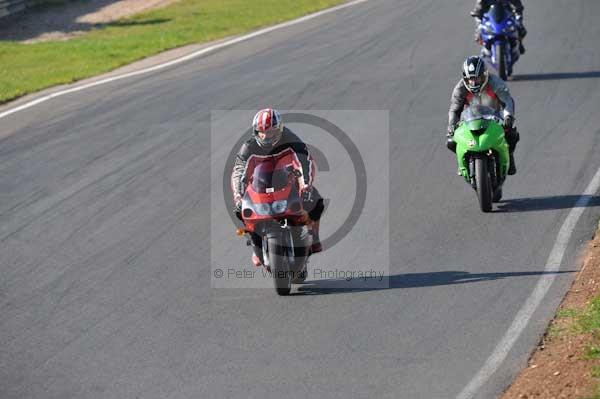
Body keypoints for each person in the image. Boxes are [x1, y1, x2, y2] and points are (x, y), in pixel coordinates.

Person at [231, 108, 324, 267]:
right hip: (260, 185)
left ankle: (313, 234)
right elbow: (238, 171)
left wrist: (305, 186)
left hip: (287, 181)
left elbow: (305, 161)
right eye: (262, 132)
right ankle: (255, 243)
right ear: (256, 131)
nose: (266, 137)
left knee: (315, 200)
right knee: (241, 210)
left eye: (272, 132)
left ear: (280, 129)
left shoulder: (291, 139)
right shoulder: (248, 147)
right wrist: (239, 196)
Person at [446, 56, 520, 175]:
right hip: (470, 120)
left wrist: (508, 117)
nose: (474, 82)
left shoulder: (495, 83)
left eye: (478, 78)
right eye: (471, 79)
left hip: (494, 118)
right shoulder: (460, 89)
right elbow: (454, 110)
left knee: (512, 134)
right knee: (450, 141)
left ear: (485, 75)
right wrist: (451, 125)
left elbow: (507, 101)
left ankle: (510, 157)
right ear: (465, 79)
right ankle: (463, 163)